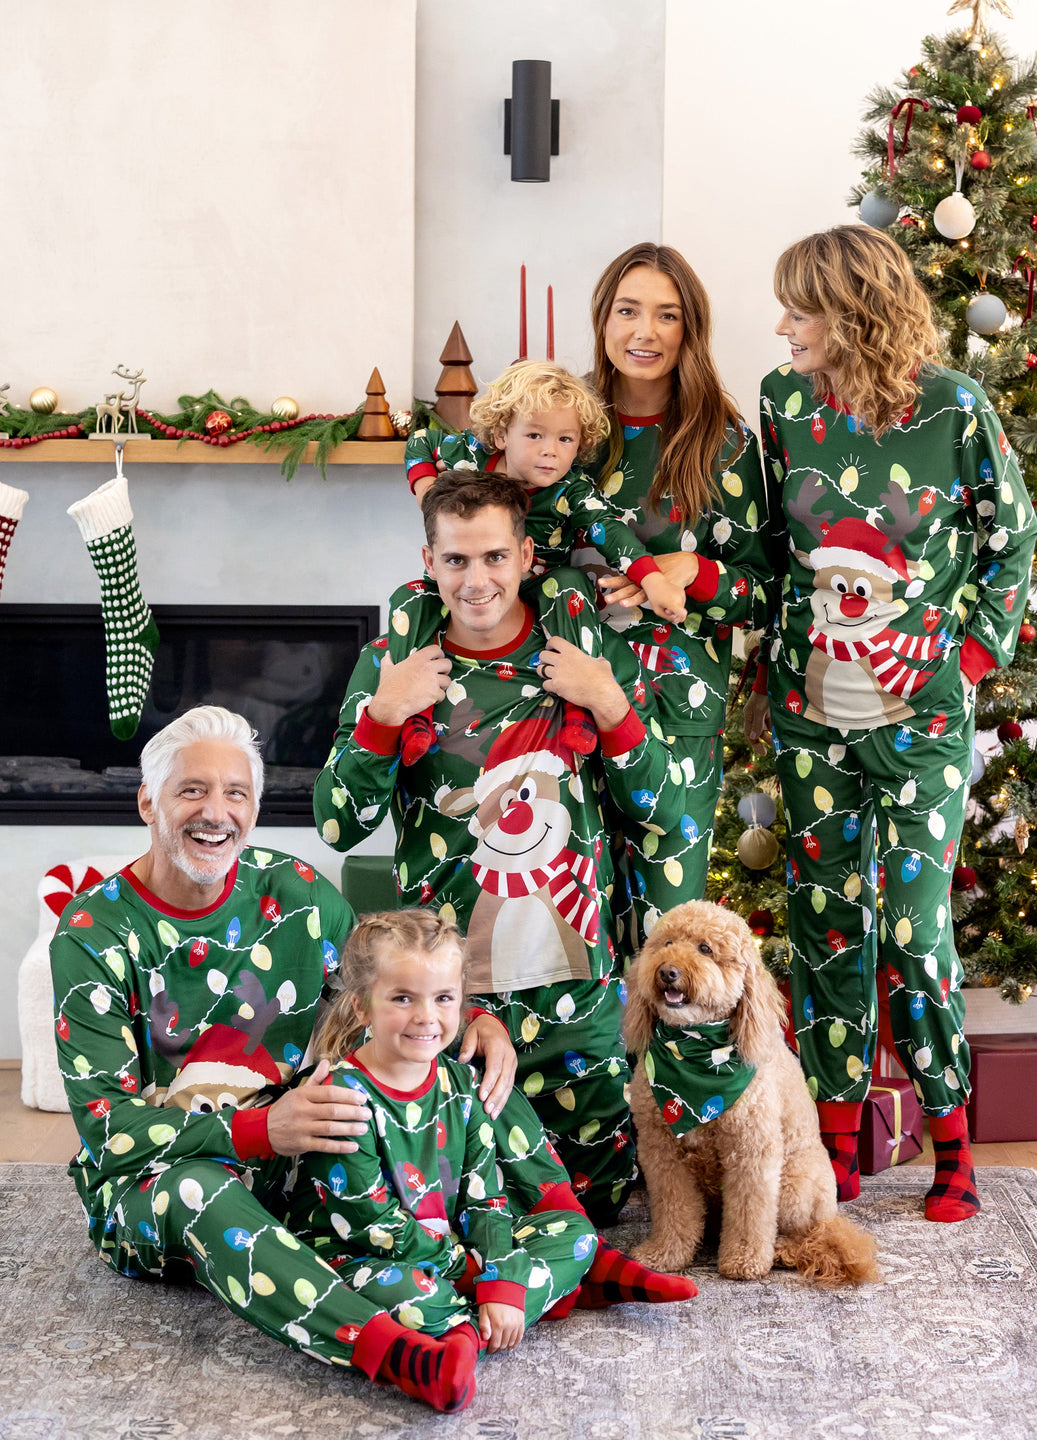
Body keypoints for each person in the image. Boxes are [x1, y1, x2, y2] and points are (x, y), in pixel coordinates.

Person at [49, 705, 513, 1413]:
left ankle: (541, 1257)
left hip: (300, 1161)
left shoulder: (292, 891)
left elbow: (386, 976)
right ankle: (388, 1348)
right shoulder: (92, 935)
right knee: (198, 1191)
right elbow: (107, 1131)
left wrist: (475, 1019)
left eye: (236, 793)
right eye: (192, 790)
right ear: (148, 801)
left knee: (457, 1073)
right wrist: (260, 1131)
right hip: (160, 1186)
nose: (217, 812)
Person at [744, 224, 1037, 1222]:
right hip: (810, 710)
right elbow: (767, 550)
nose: (784, 325)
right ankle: (835, 1144)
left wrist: (970, 653)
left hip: (922, 722)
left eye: (802, 308)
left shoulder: (955, 409)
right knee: (827, 925)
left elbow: (1013, 534)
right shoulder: (784, 402)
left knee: (913, 932)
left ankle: (951, 1137)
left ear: (854, 312)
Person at [314, 471, 690, 1225]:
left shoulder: (579, 653)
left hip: (572, 983)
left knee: (601, 1201)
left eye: (492, 557)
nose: (476, 579)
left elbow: (666, 813)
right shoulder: (394, 665)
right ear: (429, 562)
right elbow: (337, 825)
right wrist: (385, 714)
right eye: (456, 561)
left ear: (525, 556)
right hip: (447, 993)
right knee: (450, 1199)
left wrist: (608, 701)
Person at [286, 909, 597, 1408]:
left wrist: (496, 1269)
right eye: (403, 998)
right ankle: (486, 1321)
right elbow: (371, 1225)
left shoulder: (458, 1083)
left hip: (447, 1252)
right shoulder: (339, 1097)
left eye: (443, 998)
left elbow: (486, 1199)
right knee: (403, 1296)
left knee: (577, 1236)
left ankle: (468, 1326)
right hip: (361, 1258)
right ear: (363, 1006)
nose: (427, 1017)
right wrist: (482, 1277)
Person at [575, 242, 774, 943]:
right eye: (628, 311)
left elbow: (768, 591)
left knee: (667, 939)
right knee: (575, 922)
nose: (645, 332)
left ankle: (667, 1059)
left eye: (667, 315)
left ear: (690, 330)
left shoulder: (725, 444)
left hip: (677, 716)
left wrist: (697, 573)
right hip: (565, 708)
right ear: (603, 321)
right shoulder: (569, 431)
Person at [400, 358, 687, 765]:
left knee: (570, 580)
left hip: (536, 592)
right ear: (501, 434)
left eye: (566, 440)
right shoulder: (468, 457)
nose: (550, 451)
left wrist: (654, 580)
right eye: (535, 435)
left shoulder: (569, 489)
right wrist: (429, 494)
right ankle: (417, 718)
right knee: (410, 597)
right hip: (471, 588)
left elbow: (610, 530)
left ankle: (577, 713)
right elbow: (420, 443)